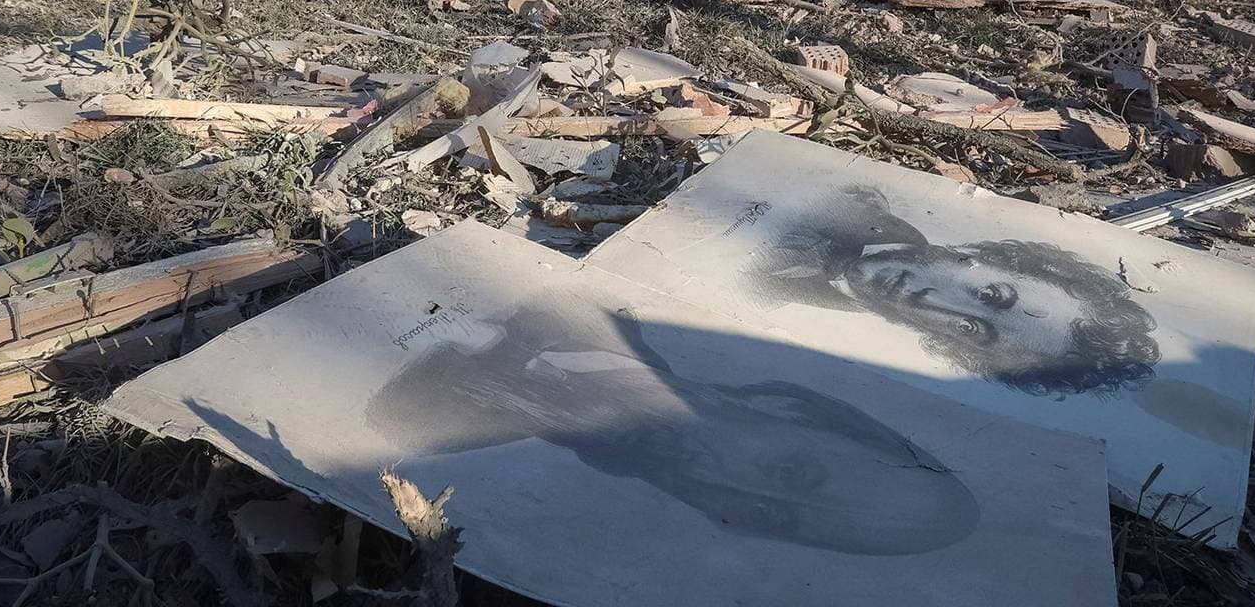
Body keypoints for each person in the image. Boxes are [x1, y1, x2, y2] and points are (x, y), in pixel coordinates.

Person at [366, 301, 979, 556]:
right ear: (794, 412)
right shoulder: (591, 307)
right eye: (788, 472)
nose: (726, 491)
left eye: (769, 516)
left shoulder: (422, 431)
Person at [746, 190, 1160, 397]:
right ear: (991, 258)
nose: (931, 301)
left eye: (971, 329)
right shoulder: (855, 199)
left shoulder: (798, 324)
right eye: (992, 295)